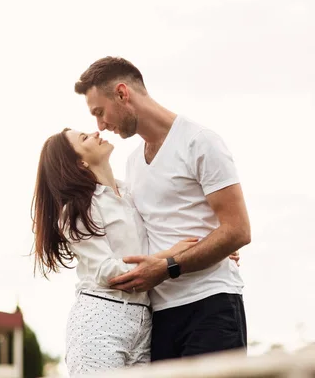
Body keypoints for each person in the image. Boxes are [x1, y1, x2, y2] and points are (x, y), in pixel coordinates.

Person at [73, 56, 251, 361]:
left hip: (211, 305)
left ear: (122, 93)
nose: (100, 125)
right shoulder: (131, 165)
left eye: (100, 113)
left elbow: (238, 231)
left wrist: (172, 264)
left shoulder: (199, 142)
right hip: (158, 318)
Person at [31, 129, 239, 375]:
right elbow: (106, 271)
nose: (96, 131)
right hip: (101, 318)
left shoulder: (131, 193)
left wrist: (210, 248)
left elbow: (161, 234)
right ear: (80, 163)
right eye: (84, 138)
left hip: (144, 321)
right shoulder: (77, 211)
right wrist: (170, 256)